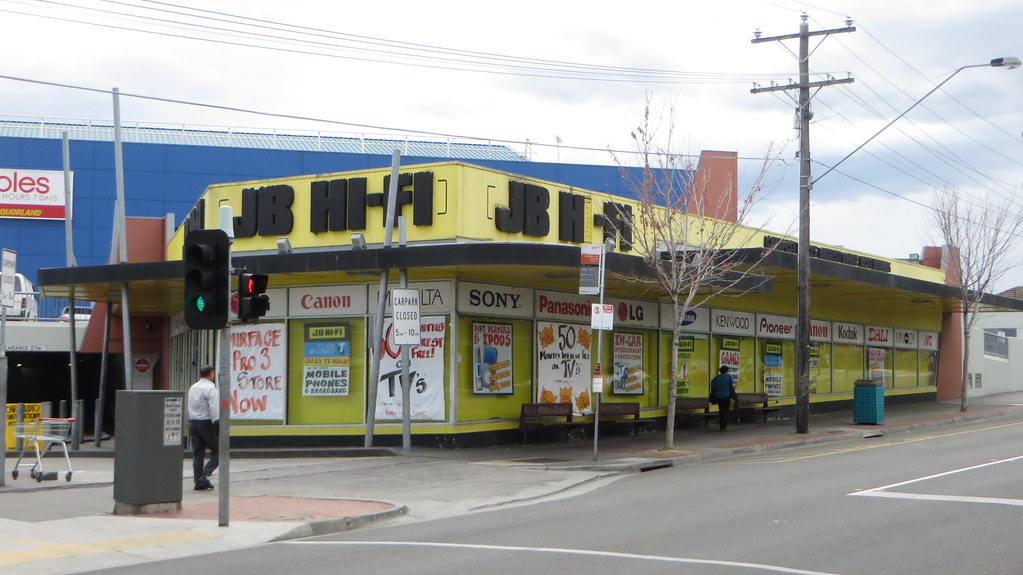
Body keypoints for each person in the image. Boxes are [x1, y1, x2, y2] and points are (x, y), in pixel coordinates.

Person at [188, 365, 220, 490]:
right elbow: (213, 407)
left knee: (198, 454)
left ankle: (198, 482)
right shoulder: (210, 388)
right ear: (211, 374)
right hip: (206, 422)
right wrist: (217, 423)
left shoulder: (193, 387)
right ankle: (205, 475)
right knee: (218, 451)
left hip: (193, 422)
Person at [709, 366, 736, 432]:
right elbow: (733, 386)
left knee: (721, 410)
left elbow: (712, 386)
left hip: (718, 396)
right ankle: (723, 426)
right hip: (726, 396)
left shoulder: (716, 378)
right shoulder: (729, 377)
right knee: (725, 411)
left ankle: (721, 426)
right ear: (727, 370)